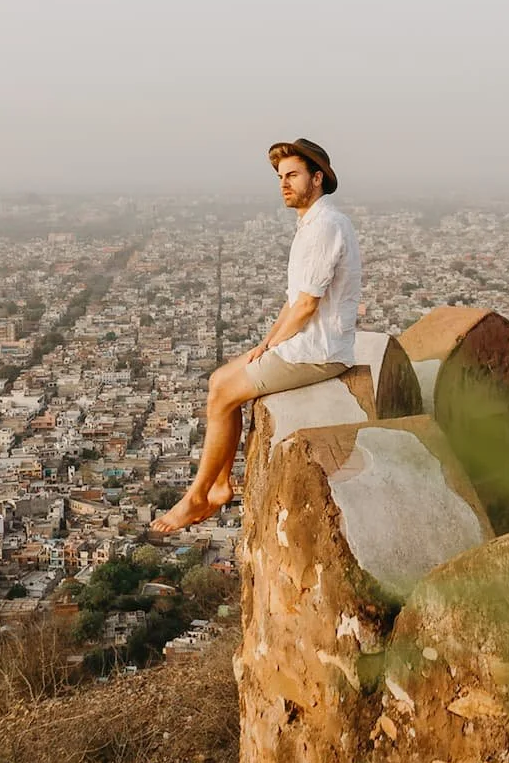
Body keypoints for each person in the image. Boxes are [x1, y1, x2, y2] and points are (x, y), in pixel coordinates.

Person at [151, 138, 361, 533]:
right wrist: (264, 346)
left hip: (319, 351)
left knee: (224, 391)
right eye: (281, 177)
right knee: (219, 383)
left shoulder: (326, 226)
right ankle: (218, 485)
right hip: (304, 344)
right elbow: (295, 302)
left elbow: (306, 307)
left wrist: (269, 348)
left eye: (293, 175)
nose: (284, 183)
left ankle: (199, 495)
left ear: (317, 178)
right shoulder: (313, 224)